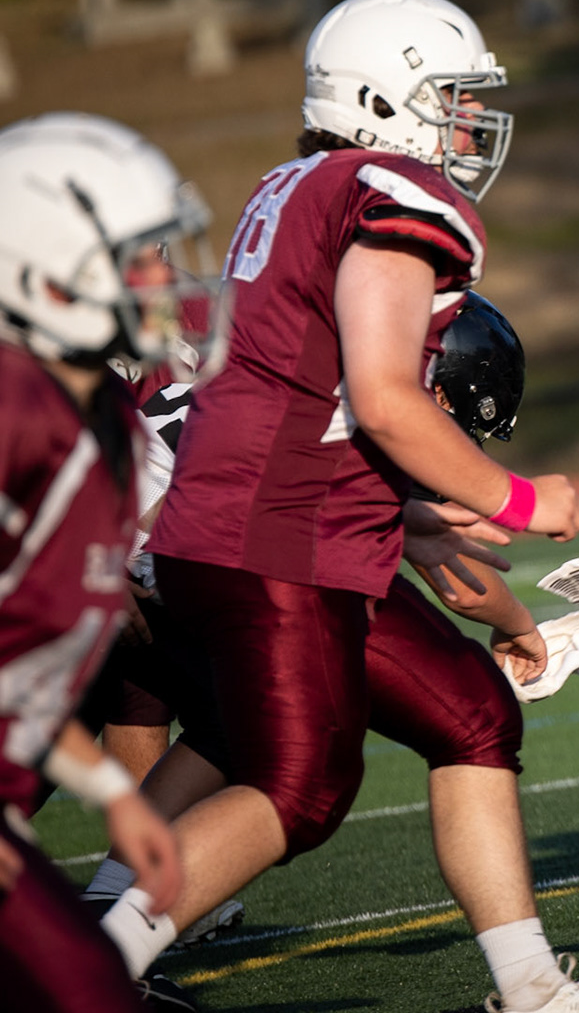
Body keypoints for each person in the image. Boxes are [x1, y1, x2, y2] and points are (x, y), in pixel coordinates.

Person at [93, 0, 579, 1013]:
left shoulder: (299, 182)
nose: (466, 122)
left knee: (471, 713)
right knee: (301, 788)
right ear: (384, 96)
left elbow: (310, 396)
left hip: (303, 526)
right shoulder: (391, 189)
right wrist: (517, 496)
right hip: (275, 535)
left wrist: (410, 515)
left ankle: (533, 986)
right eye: (449, 97)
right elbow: (382, 395)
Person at [0, 113, 203, 1011]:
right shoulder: (17, 416)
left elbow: (31, 682)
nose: (164, 279)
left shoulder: (108, 420)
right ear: (48, 274)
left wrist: (116, 798)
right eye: (137, 257)